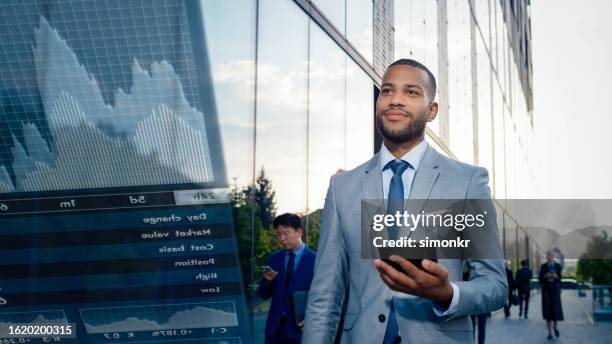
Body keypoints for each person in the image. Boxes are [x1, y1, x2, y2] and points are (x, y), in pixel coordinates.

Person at [302, 59, 507, 344]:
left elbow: (495, 286)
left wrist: (447, 293)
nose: (395, 100)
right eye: (387, 91)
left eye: (411, 92)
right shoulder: (342, 187)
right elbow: (324, 294)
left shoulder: (468, 182)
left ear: (431, 110)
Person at [258, 213, 316, 344]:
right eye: (278, 234)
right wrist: (267, 280)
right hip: (274, 332)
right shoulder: (274, 259)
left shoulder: (316, 260)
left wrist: (312, 318)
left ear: (299, 231)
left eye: (285, 233)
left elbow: (322, 296)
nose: (282, 238)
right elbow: (263, 295)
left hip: (300, 330)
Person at [539, 251, 563, 340]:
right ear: (546, 257)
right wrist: (545, 276)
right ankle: (549, 333)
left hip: (555, 291)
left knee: (556, 310)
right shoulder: (543, 266)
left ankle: (555, 327)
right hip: (546, 291)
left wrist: (556, 276)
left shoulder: (558, 266)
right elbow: (540, 279)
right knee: (547, 311)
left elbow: (560, 279)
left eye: (551, 256)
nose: (549, 257)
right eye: (548, 256)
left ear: (553, 256)